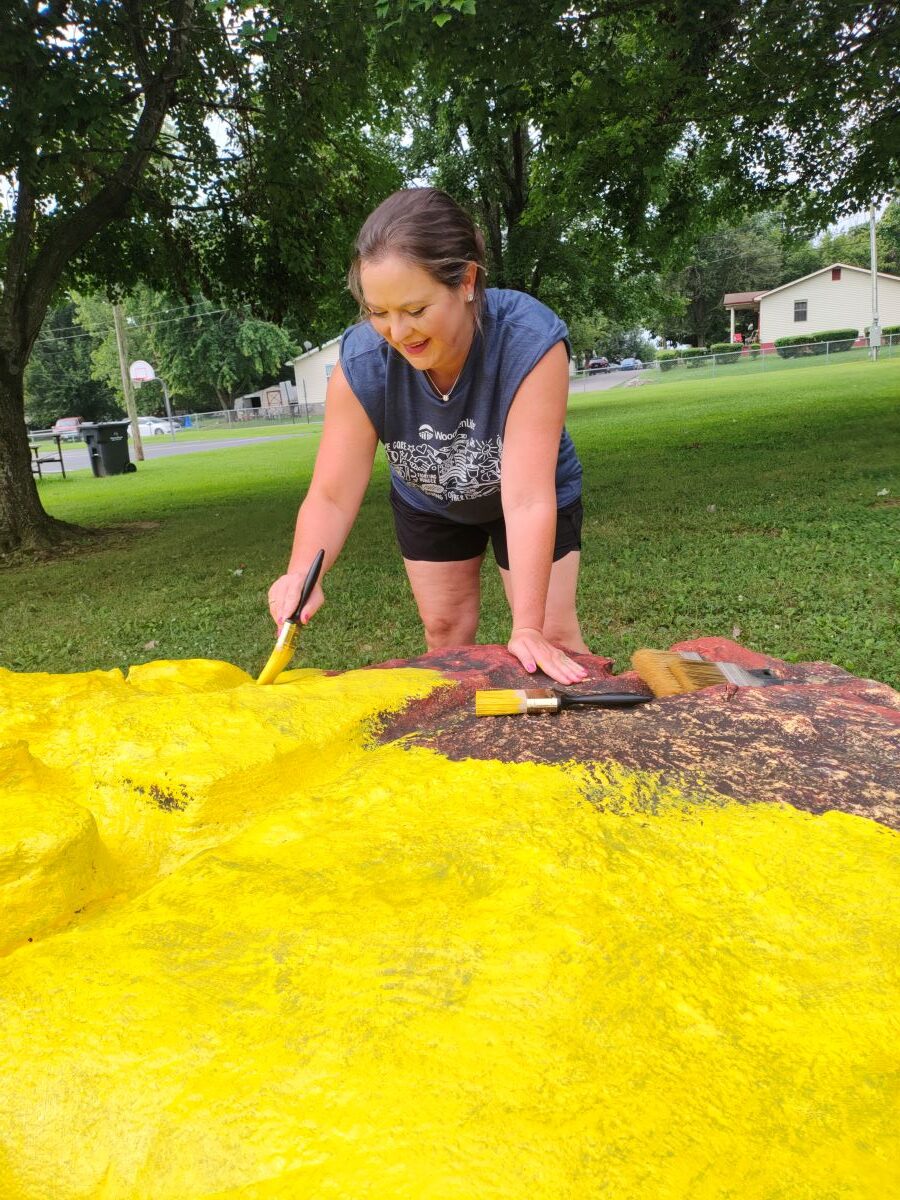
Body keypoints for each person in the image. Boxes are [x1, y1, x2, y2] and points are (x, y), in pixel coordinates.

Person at [268, 187, 590, 685]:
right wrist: (300, 575)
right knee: (444, 636)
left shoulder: (530, 339)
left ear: (466, 281)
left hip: (527, 496)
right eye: (378, 312)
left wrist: (526, 626)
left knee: (551, 635)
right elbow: (331, 496)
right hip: (429, 499)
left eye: (416, 310)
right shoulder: (361, 363)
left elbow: (526, 499)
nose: (398, 333)